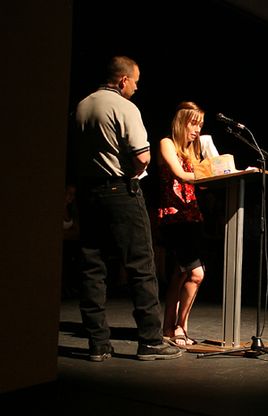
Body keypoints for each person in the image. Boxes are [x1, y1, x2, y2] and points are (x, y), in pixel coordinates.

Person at [74, 55, 182, 361]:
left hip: (87, 193)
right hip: (120, 191)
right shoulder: (125, 107)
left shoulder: (82, 106)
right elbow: (143, 157)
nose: (136, 88)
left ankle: (97, 343)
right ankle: (149, 340)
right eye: (135, 82)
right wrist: (132, 171)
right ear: (124, 80)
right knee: (140, 266)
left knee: (92, 268)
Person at [157, 101, 208, 347]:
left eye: (200, 125)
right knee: (196, 274)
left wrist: (215, 165)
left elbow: (202, 184)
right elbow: (180, 174)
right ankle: (180, 326)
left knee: (179, 274)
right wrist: (207, 173)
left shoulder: (195, 150)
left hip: (193, 217)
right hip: (174, 218)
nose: (197, 130)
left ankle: (168, 328)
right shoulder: (167, 143)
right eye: (193, 123)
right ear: (181, 121)